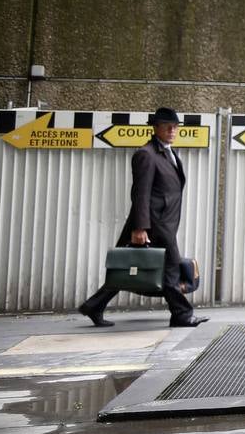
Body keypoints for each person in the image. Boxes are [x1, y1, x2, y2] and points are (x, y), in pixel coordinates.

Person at [78, 107, 208, 328]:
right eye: (167, 126)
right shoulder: (146, 154)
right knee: (171, 267)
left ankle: (94, 305)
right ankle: (182, 314)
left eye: (175, 126)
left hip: (163, 220)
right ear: (155, 128)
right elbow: (140, 193)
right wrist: (140, 228)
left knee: (125, 266)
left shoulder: (168, 153)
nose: (172, 130)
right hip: (154, 223)